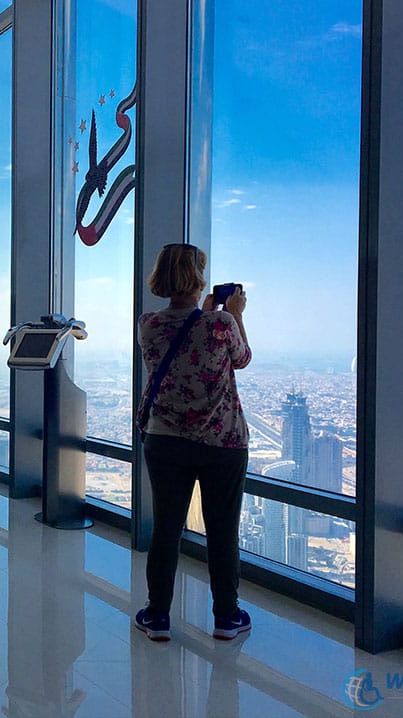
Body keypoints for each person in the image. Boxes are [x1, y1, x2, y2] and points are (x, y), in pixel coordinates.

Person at [134, 243, 253, 642]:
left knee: (166, 527)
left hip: (165, 439)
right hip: (223, 441)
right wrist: (233, 315)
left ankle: (157, 615)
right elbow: (242, 358)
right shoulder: (220, 325)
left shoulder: (148, 324)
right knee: (222, 529)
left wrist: (210, 312)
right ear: (199, 276)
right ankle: (226, 616)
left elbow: (182, 345)